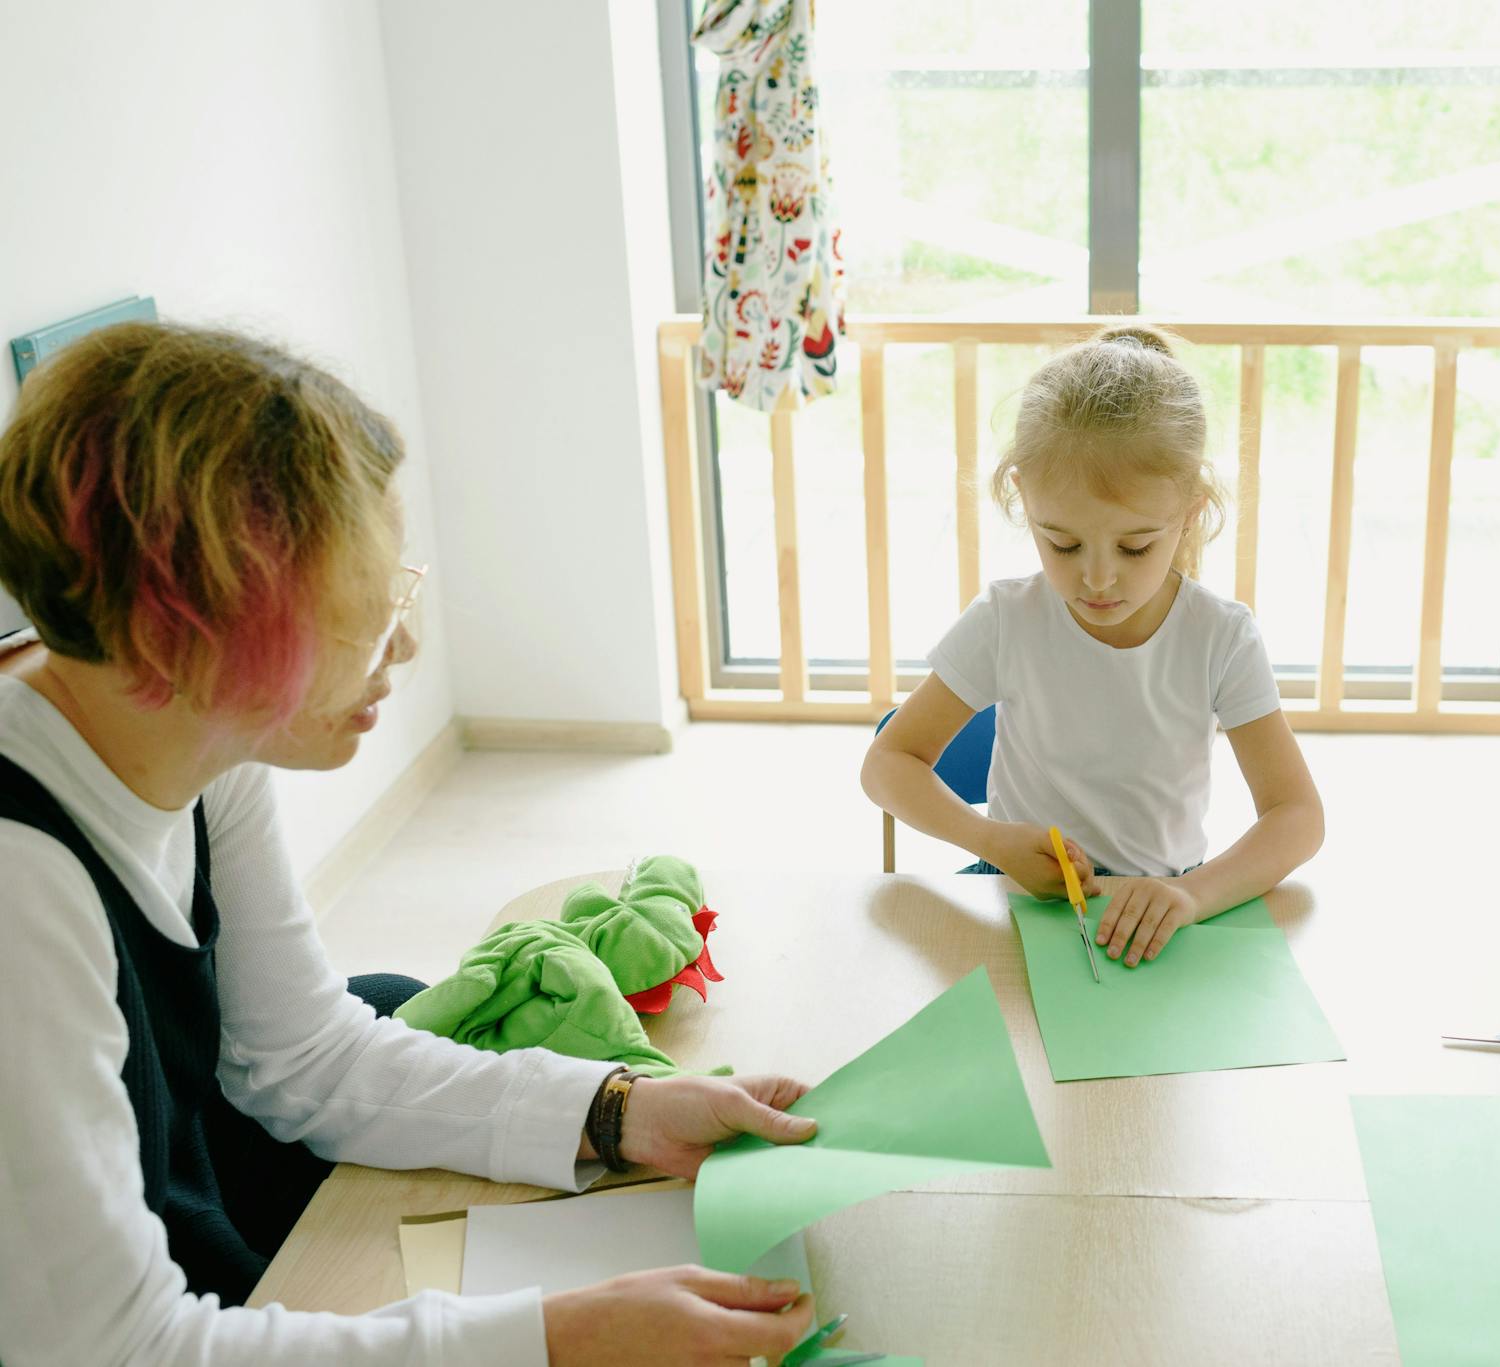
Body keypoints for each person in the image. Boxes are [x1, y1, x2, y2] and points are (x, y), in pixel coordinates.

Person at [0, 322, 821, 1366]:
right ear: (190, 632)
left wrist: (621, 1109)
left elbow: (297, 1053)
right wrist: (555, 1338)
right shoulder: (21, 889)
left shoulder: (199, 727)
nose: (407, 642)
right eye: (363, 604)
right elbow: (114, 1351)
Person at [861, 323, 1323, 966]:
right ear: (1023, 496)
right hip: (1013, 896)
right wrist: (990, 839)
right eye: (1063, 544)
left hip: (1165, 906)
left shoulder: (1220, 636)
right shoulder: (1007, 619)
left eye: (1135, 547)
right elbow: (888, 764)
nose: (1098, 579)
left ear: (1191, 510)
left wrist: (1192, 895)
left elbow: (1297, 814)